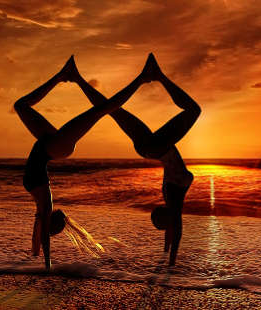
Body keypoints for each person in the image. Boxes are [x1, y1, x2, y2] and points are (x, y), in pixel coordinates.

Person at [14, 55, 146, 270]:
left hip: (49, 143)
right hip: (55, 146)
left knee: (20, 105)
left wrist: (35, 256)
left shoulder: (42, 211)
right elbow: (41, 235)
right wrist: (48, 264)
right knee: (102, 110)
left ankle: (63, 75)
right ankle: (139, 80)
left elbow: (38, 237)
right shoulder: (45, 203)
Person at [74, 53, 201, 266]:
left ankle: (158, 76)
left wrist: (170, 262)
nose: (172, 224)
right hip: (148, 148)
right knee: (113, 111)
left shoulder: (174, 200)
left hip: (155, 147)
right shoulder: (171, 199)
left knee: (193, 110)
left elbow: (175, 231)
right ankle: (78, 80)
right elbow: (172, 231)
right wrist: (167, 256)